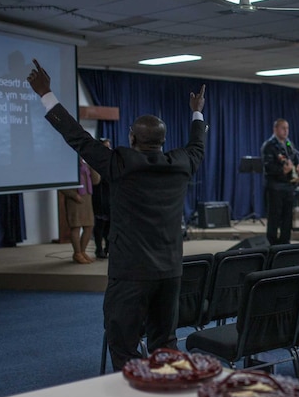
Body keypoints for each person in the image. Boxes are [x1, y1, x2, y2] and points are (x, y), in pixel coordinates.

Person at [26, 59, 207, 371]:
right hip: (169, 272)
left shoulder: (119, 165)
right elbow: (198, 144)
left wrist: (46, 94)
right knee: (165, 345)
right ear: (162, 142)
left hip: (130, 274)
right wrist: (197, 111)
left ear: (132, 139)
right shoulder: (181, 165)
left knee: (123, 346)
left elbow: (77, 137)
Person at [261, 119, 299, 245]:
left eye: (287, 128)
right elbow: (268, 167)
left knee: (287, 217)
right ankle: (272, 244)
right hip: (275, 186)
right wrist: (282, 170)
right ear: (275, 129)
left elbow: (295, 158)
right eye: (283, 128)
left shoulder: (289, 144)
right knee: (274, 217)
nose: (286, 131)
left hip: (289, 186)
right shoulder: (269, 145)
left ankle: (285, 242)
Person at [60, 157, 100, 264]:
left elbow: (96, 181)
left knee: (89, 226)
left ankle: (82, 251)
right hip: (75, 200)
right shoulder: (67, 166)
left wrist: (92, 165)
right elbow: (61, 186)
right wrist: (73, 195)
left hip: (87, 200)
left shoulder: (85, 164)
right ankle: (77, 253)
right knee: (76, 227)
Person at [92, 138, 112, 258]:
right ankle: (99, 249)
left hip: (111, 196)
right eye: (106, 147)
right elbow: (96, 181)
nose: (108, 149)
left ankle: (108, 249)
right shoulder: (95, 161)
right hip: (99, 196)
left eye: (109, 147)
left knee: (110, 226)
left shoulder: (111, 161)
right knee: (100, 225)